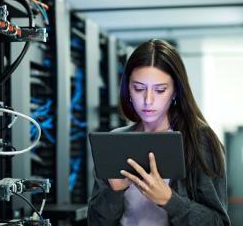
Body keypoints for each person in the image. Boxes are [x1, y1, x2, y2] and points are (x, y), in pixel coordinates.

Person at [88, 39, 230, 225]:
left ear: (176, 91)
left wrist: (169, 200)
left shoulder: (199, 140)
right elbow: (95, 221)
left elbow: (218, 222)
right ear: (127, 89)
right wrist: (114, 192)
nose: (148, 100)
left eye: (160, 90)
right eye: (139, 89)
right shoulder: (116, 141)